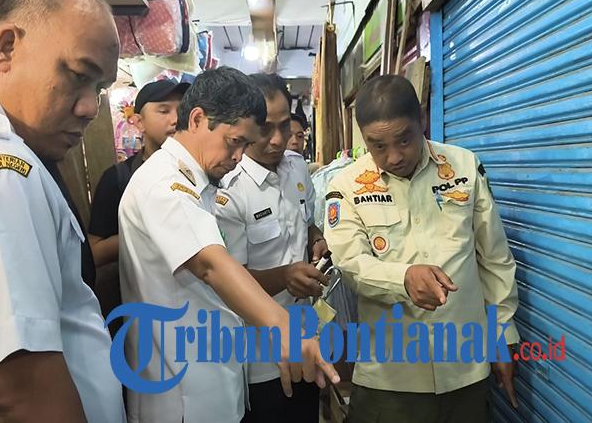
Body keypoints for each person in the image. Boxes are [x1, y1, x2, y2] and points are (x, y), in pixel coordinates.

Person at [0, 0, 124, 422]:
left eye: (98, 89)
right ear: (6, 48)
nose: (88, 108)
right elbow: (20, 391)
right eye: (79, 76)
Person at [118, 66, 339, 423]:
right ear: (198, 118)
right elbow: (211, 265)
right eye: (234, 142)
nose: (238, 157)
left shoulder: (196, 182)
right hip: (183, 395)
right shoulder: (165, 185)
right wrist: (284, 328)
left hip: (213, 381)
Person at [324, 75, 520, 423]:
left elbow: (494, 260)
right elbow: (350, 264)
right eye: (378, 146)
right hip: (390, 378)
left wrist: (502, 334)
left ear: (422, 121)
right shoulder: (346, 187)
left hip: (466, 369)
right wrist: (403, 278)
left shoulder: (463, 168)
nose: (394, 156)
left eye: (404, 139)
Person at [215, 73, 326, 423]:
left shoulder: (297, 167)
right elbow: (228, 282)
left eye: (284, 125)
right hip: (262, 357)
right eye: (265, 128)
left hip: (307, 337)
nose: (278, 140)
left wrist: (315, 238)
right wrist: (285, 276)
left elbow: (305, 220)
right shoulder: (229, 190)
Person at [89, 79, 188, 324]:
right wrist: (143, 233)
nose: (176, 119)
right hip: (142, 312)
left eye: (182, 110)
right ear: (138, 122)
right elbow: (95, 252)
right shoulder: (118, 179)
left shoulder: (200, 175)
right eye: (163, 111)